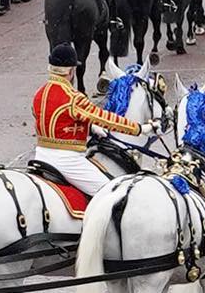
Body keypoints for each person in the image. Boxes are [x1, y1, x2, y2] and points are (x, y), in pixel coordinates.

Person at [31, 43, 139, 196]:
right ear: (71, 71)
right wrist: (138, 128)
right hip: (67, 160)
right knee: (113, 194)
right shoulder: (73, 97)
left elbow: (56, 122)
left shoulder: (39, 94)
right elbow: (105, 119)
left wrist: (89, 128)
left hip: (41, 155)